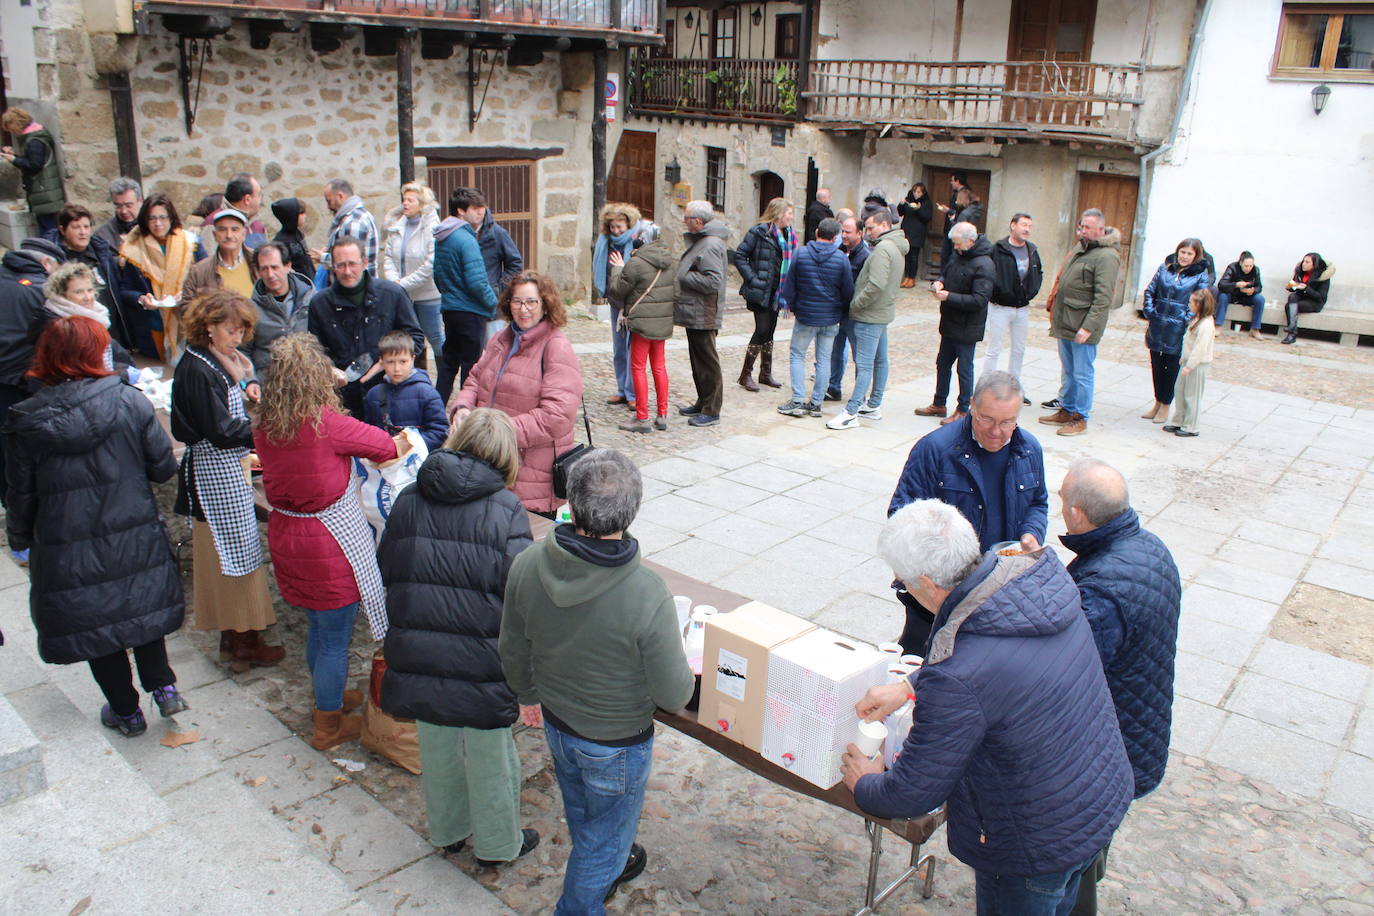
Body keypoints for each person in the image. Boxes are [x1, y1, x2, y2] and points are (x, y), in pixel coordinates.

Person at [843, 499, 1133, 916]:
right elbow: (998, 656)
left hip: (1033, 841)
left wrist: (866, 782)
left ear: (926, 582)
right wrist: (910, 684)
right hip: (1096, 795)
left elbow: (912, 791)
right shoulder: (1031, 580)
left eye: (903, 584)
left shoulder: (957, 676)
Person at [499, 449, 694, 912]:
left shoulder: (527, 563)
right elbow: (673, 695)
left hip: (559, 723)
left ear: (572, 500)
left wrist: (528, 695)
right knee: (602, 840)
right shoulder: (646, 592)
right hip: (616, 740)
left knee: (586, 815)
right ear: (631, 511)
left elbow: (512, 649)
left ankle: (609, 863)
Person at [4, 316, 187, 736]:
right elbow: (162, 468)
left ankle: (126, 711)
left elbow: (20, 493)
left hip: (68, 544)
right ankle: (163, 687)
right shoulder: (130, 401)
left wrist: (20, 540)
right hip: (132, 529)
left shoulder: (26, 421)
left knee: (96, 625)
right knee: (141, 606)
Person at [378, 407, 540, 867]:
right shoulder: (505, 509)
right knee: (490, 753)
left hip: (419, 648)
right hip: (481, 659)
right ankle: (497, 844)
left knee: (437, 742)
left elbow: (389, 565)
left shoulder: (410, 497)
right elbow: (519, 589)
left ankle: (448, 831)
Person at [254, 332, 402, 750]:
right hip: (329, 541)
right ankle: (327, 724)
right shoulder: (325, 423)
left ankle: (327, 698)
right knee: (335, 637)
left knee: (317, 629)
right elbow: (383, 444)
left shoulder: (266, 424)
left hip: (288, 534)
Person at [1057, 459, 1181, 914]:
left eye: (1062, 501)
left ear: (1077, 515)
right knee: (1088, 849)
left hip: (1108, 749)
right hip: (1136, 731)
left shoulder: (1105, 587)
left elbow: (1067, 669)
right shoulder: (1149, 548)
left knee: (1072, 864)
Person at [889, 370, 1047, 651]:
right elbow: (901, 519)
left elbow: (1038, 502)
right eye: (987, 418)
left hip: (1000, 588)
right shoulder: (935, 449)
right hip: (939, 596)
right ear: (972, 404)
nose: (996, 431)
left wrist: (1031, 534)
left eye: (1007, 422)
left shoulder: (1029, 449)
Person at [170, 289, 282, 672]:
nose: (237, 338)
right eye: (231, 330)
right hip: (215, 474)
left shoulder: (214, 362)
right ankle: (244, 641)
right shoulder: (200, 369)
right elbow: (220, 430)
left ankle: (234, 638)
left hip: (225, 470)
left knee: (227, 558)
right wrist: (260, 427)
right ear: (209, 328)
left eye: (241, 331)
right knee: (236, 558)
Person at [447, 271, 582, 516]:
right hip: (488, 462)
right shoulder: (501, 338)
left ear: (545, 304)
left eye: (532, 302)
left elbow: (557, 416)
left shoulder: (556, 347)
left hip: (529, 475)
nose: (524, 309)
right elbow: (475, 379)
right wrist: (463, 407)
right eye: (517, 301)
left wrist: (495, 431)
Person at [309, 236, 425, 416]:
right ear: (332, 266)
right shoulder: (319, 303)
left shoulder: (392, 295)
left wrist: (388, 360)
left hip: (390, 393)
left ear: (364, 262)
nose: (347, 271)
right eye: (341, 265)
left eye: (352, 264)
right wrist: (328, 369)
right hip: (342, 399)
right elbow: (313, 350)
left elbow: (415, 339)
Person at [1040, 209, 1120, 438]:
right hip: (1066, 321)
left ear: (1100, 229)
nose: (1082, 230)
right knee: (1069, 370)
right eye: (1081, 226)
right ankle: (1066, 408)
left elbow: (1103, 298)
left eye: (1086, 227)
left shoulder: (1106, 256)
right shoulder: (1082, 247)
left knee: (1083, 373)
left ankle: (1080, 417)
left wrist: (1088, 327)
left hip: (1083, 325)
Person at [0, 238, 61, 526]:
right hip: (24, 386)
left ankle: (14, 518)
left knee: (5, 457)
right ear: (46, 264)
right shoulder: (42, 291)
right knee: (29, 461)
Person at [827, 209, 907, 431]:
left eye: (871, 228)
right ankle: (873, 404)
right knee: (880, 360)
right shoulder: (896, 247)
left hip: (870, 315)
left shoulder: (883, 249)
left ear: (884, 225)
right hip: (881, 312)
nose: (868, 232)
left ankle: (851, 411)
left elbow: (876, 284)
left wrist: (855, 304)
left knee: (864, 365)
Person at [913, 222, 993, 426]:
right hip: (949, 322)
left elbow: (979, 300)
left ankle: (964, 409)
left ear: (971, 241)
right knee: (943, 363)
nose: (955, 247)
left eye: (958, 244)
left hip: (968, 326)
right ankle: (939, 403)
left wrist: (949, 296)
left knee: (964, 369)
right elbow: (947, 273)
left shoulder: (984, 264)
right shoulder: (959, 255)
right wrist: (940, 282)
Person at [776, 218, 852, 419]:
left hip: (806, 315)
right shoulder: (841, 259)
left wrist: (795, 307)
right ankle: (817, 403)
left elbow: (789, 287)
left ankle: (798, 400)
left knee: (797, 355)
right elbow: (847, 291)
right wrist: (840, 312)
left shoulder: (801, 254)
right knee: (824, 359)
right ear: (835, 237)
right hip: (830, 317)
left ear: (816, 231)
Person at [607, 222, 676, 434]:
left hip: (642, 324)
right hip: (662, 322)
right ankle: (662, 415)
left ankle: (642, 417)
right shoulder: (670, 261)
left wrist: (618, 268)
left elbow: (618, 290)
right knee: (659, 366)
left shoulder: (636, 262)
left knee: (638, 367)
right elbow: (678, 292)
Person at [118, 192, 204, 360]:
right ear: (144, 220)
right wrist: (142, 299)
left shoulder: (190, 243)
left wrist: (189, 292)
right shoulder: (135, 250)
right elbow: (125, 290)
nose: (158, 223)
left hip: (189, 320)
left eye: (163, 217)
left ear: (171, 218)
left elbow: (208, 277)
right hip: (154, 325)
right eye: (152, 218)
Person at [433, 187, 497, 402]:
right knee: (471, 367)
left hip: (451, 309)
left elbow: (437, 275)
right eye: (476, 208)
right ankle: (465, 412)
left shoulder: (443, 236)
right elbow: (477, 282)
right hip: (470, 311)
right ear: (460, 211)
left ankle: (435, 407)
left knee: (449, 363)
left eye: (482, 207)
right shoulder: (465, 239)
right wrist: (493, 304)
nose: (482, 212)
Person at [1140, 239, 1211, 424]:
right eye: (1183, 252)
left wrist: (1184, 319)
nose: (1185, 256)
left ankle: (1165, 405)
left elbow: (1199, 299)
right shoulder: (1165, 269)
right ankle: (1157, 402)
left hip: (1177, 328)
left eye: (1189, 253)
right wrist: (1150, 311)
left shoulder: (1200, 276)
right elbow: (1150, 291)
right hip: (1158, 324)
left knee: (1171, 368)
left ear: (1196, 256)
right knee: (1156, 365)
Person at [41, 203, 130, 348]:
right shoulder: (55, 260)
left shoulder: (101, 251)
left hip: (109, 326)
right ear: (62, 230)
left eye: (86, 227)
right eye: (76, 227)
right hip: (78, 334)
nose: (83, 232)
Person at [733, 197, 797, 392]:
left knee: (770, 331)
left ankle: (765, 373)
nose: (791, 217)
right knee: (761, 329)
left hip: (778, 292)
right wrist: (753, 279)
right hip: (761, 290)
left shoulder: (789, 235)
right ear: (778, 214)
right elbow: (739, 256)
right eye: (789, 213)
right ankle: (745, 374)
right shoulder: (759, 232)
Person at [675, 201, 729, 428]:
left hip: (703, 311)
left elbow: (713, 281)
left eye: (686, 218)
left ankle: (712, 409)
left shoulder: (710, 245)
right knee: (698, 361)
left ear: (698, 222)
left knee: (707, 361)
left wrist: (683, 276)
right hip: (695, 309)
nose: (683, 222)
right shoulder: (705, 241)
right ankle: (703, 401)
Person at [383, 182, 444, 379]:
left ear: (422, 203)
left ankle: (445, 377)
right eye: (404, 199)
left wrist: (402, 284)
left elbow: (429, 264)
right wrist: (394, 282)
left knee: (434, 337)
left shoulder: (431, 227)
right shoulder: (396, 225)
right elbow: (389, 257)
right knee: (408, 339)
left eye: (411, 200)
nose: (406, 203)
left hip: (427, 294)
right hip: (402, 294)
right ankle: (414, 375)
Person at [34, 261, 135, 380]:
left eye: (90, 290)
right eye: (79, 292)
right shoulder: (58, 326)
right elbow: (79, 371)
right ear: (62, 294)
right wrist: (125, 374)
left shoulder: (95, 315)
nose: (88, 297)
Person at [985, 213, 1042, 402]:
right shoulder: (999, 249)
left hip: (1022, 307)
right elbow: (988, 273)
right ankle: (987, 387)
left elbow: (1038, 272)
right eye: (1024, 225)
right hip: (1001, 306)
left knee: (1019, 349)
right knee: (994, 348)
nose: (1027, 229)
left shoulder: (1032, 250)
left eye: (1030, 226)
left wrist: (1032, 291)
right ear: (1013, 226)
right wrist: (997, 292)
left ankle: (1015, 388)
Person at [363, 330, 449, 450]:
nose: (397, 368)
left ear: (413, 359)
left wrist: (409, 448)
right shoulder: (373, 395)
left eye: (403, 361)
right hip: (384, 461)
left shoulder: (427, 393)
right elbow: (369, 432)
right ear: (382, 362)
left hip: (418, 460)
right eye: (390, 362)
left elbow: (440, 431)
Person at [594, 202, 642, 408]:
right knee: (619, 348)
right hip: (615, 301)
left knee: (633, 349)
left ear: (628, 225)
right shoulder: (605, 242)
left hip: (634, 302)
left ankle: (633, 393)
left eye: (619, 227)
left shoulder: (638, 242)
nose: (615, 231)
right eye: (612, 227)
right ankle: (622, 389)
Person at [244, 241, 313, 375]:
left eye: (275, 267)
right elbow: (242, 351)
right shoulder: (250, 309)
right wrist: (250, 381)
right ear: (258, 272)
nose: (270, 274)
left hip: (306, 381)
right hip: (267, 383)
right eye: (264, 269)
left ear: (287, 266)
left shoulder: (311, 301)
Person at [824, 216, 870, 403]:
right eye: (842, 231)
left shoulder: (865, 256)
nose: (843, 235)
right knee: (836, 352)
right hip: (838, 311)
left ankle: (860, 394)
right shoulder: (839, 252)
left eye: (848, 232)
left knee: (859, 355)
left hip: (854, 314)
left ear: (859, 233)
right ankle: (834, 387)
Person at [0, 108, 65, 233]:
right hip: (43, 189)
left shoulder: (34, 141)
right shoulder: (35, 136)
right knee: (47, 227)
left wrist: (14, 159)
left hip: (44, 189)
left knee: (48, 229)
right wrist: (16, 156)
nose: (12, 132)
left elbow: (35, 165)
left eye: (11, 128)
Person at [180, 207, 257, 312]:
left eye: (235, 229)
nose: (229, 235)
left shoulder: (259, 263)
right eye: (222, 229)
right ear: (215, 235)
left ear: (244, 234)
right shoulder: (199, 271)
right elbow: (185, 309)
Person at [1164, 288, 1216, 438]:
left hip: (1197, 364)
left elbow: (1200, 348)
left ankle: (1191, 426)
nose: (1189, 305)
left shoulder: (1206, 324)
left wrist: (1190, 365)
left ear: (1199, 304)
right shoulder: (1196, 319)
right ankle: (1179, 420)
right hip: (1187, 361)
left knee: (1192, 395)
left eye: (1191, 302)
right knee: (1180, 391)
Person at [468, 191, 523, 325]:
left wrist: (500, 288)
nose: (479, 212)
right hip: (467, 305)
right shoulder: (460, 234)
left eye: (481, 207)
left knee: (494, 344)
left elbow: (515, 263)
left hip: (491, 306)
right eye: (474, 208)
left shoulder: (497, 233)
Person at [315, 178, 379, 275]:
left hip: (356, 286)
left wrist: (323, 257)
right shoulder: (358, 215)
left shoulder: (353, 221)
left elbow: (349, 260)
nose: (328, 207)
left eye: (329, 201)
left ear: (340, 196)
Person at [1280, 252, 1333, 345]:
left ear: (1314, 264)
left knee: (1289, 306)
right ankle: (1292, 328)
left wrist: (1306, 288)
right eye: (1304, 261)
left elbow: (1320, 297)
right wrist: (1290, 287)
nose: (1304, 264)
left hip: (1314, 302)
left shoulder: (1323, 276)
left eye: (1307, 262)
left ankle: (1292, 334)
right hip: (1302, 297)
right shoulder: (1300, 271)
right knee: (1292, 297)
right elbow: (1296, 286)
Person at [1216, 250, 1264, 339]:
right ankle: (1218, 325)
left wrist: (1253, 290)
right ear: (1241, 263)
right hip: (1232, 294)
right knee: (1222, 296)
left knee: (1260, 299)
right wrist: (1236, 284)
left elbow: (1259, 287)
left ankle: (1255, 329)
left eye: (1251, 266)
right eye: (1246, 266)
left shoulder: (1255, 270)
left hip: (1246, 296)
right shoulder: (1232, 267)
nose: (1248, 268)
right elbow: (1221, 285)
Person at [896, 182, 933, 288]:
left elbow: (927, 217)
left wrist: (918, 209)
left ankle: (912, 278)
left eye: (918, 192)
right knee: (906, 255)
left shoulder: (926, 202)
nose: (916, 194)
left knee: (913, 256)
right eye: (915, 191)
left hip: (917, 232)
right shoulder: (909, 199)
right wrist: (902, 204)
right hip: (907, 231)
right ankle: (906, 277)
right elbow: (900, 213)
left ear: (923, 193)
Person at [270, 197, 317, 279]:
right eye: (301, 213)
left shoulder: (298, 234)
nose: (305, 216)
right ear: (292, 216)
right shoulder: (280, 242)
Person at [94, 176, 142, 253]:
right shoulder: (103, 236)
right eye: (118, 206)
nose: (124, 211)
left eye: (128, 205)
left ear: (140, 201)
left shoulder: (152, 226)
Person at [935, 171, 968, 274]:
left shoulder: (964, 193)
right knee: (945, 255)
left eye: (952, 180)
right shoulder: (957, 193)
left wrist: (948, 211)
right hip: (950, 229)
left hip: (957, 230)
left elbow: (962, 213)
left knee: (951, 256)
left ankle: (946, 279)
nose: (951, 183)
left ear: (957, 181)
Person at [223, 172, 267, 249]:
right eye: (259, 195)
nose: (261, 201)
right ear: (247, 199)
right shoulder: (215, 223)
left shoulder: (257, 226)